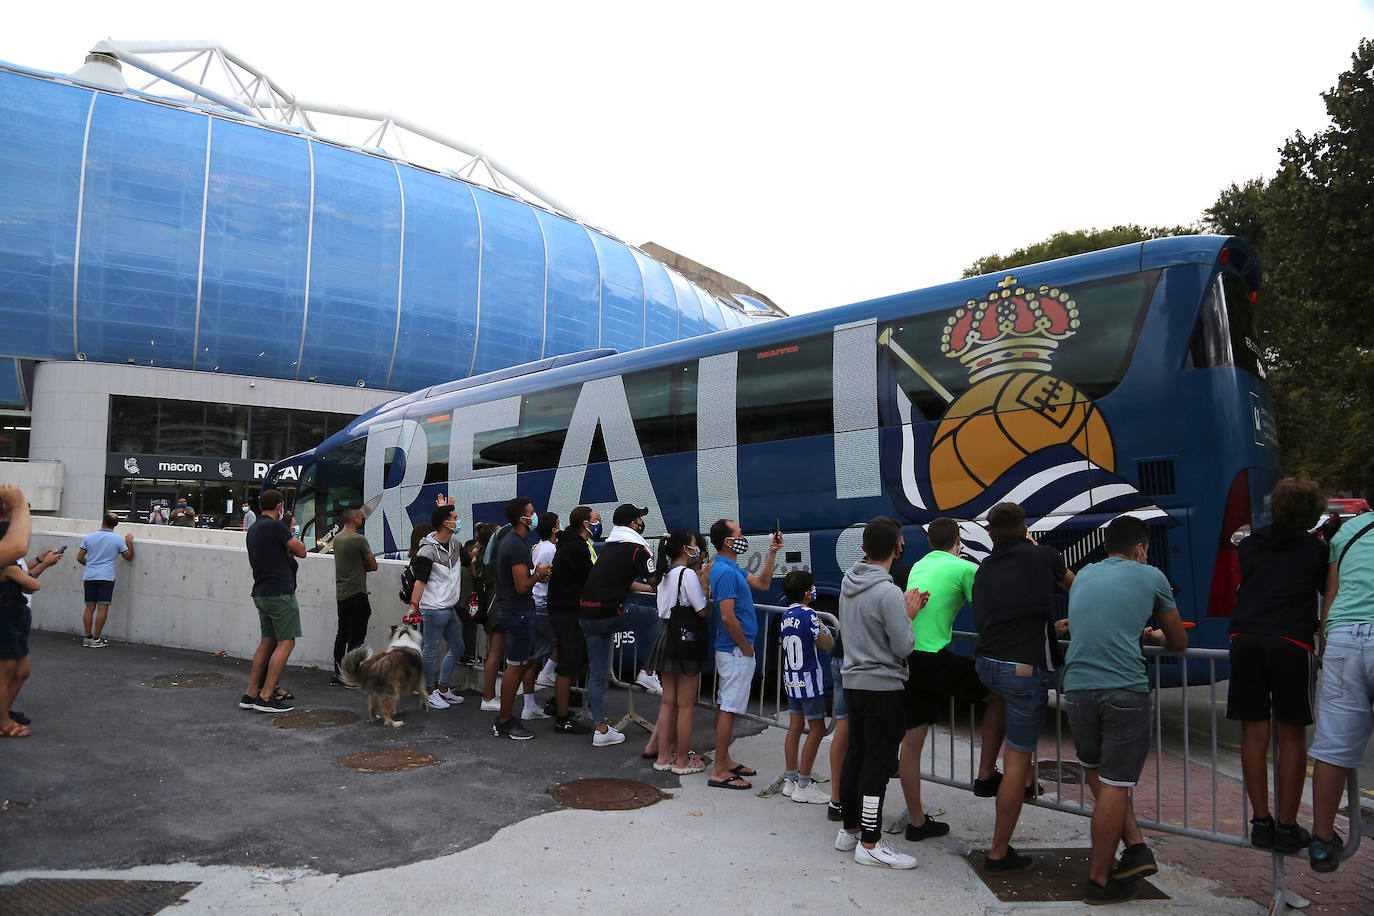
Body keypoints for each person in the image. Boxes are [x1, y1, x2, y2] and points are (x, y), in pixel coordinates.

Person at [1063, 514, 1187, 905]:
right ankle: (1099, 881)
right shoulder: (1151, 576)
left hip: (1076, 688)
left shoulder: (1083, 575)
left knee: (1095, 769)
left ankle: (1135, 847)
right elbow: (1178, 640)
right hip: (1123, 689)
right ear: (1139, 548)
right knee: (1117, 785)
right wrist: (1156, 636)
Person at [972, 501, 1074, 873]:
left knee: (999, 701)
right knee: (1016, 761)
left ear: (990, 534)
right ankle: (998, 853)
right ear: (1026, 528)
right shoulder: (1044, 556)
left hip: (987, 664)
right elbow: (1078, 588)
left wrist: (1047, 626)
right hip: (1023, 669)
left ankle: (986, 777)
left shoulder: (984, 568)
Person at [1227, 476, 1327, 853]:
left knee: (1253, 732)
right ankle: (1287, 826)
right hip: (1291, 640)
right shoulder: (1316, 550)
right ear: (1312, 514)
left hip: (1245, 638)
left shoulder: (1250, 545)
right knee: (1291, 734)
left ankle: (1261, 822)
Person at [899, 517, 1005, 841]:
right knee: (998, 695)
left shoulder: (919, 565)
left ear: (929, 541)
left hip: (909, 656)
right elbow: (989, 610)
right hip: (933, 657)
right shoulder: (964, 568)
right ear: (959, 540)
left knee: (912, 742)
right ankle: (986, 775)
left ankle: (917, 821)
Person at [834, 517, 925, 869]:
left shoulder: (848, 583)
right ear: (898, 546)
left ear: (863, 547)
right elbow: (903, 646)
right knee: (878, 763)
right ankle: (870, 843)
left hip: (854, 683)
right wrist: (909, 613)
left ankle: (850, 830)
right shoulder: (888, 593)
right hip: (883, 688)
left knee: (856, 755)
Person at [1307, 463, 1374, 873]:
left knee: (1332, 747)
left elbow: (1330, 596)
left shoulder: (1349, 532)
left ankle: (1320, 841)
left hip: (1345, 638)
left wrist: (1326, 644)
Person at [706, 518, 781, 787]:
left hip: (735, 651)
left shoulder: (731, 568)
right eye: (739, 534)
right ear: (728, 541)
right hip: (736, 651)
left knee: (727, 706)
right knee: (729, 707)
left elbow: (762, 583)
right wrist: (747, 648)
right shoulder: (725, 572)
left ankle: (724, 760)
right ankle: (719, 771)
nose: (743, 538)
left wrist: (772, 553)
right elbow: (727, 616)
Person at [579, 504, 660, 746]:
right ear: (634, 523)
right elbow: (656, 580)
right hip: (609, 612)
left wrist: (650, 589)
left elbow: (624, 583)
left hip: (587, 613)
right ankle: (648, 672)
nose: (641, 523)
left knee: (597, 674)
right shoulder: (638, 549)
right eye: (639, 519)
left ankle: (601, 730)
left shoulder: (610, 547)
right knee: (651, 617)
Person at [238, 489, 306, 713]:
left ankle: (251, 693)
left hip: (261, 591)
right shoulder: (276, 526)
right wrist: (291, 541)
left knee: (267, 641)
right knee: (287, 642)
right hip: (280, 592)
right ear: (279, 507)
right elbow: (302, 551)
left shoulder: (254, 528)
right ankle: (266, 696)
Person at [649, 529, 711, 774]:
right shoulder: (688, 575)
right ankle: (682, 761)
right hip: (684, 639)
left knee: (668, 703)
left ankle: (663, 757)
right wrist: (705, 584)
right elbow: (702, 610)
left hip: (665, 636)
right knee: (685, 705)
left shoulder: (665, 574)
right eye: (694, 545)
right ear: (686, 549)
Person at [492, 497, 551, 739]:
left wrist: (536, 575)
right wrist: (537, 575)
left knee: (521, 664)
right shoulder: (515, 544)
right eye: (531, 512)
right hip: (517, 612)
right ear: (522, 518)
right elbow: (521, 586)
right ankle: (504, 721)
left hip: (519, 610)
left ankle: (507, 717)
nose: (535, 516)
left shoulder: (518, 541)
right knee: (515, 667)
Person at [780, 569, 835, 804]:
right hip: (809, 681)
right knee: (817, 729)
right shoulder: (809, 615)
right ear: (805, 593)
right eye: (811, 586)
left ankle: (790, 778)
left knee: (794, 726)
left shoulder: (785, 616)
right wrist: (822, 624)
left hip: (791, 679)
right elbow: (826, 643)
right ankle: (803, 783)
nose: (814, 589)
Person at [544, 506, 598, 734]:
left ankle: (559, 704)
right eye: (596, 519)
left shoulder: (570, 544)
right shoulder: (577, 547)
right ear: (585, 523)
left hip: (565, 610)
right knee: (568, 663)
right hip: (568, 611)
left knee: (574, 661)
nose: (598, 523)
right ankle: (562, 717)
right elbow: (590, 579)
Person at [410, 501, 467, 709]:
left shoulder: (456, 545)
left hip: (449, 607)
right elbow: (420, 581)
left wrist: (445, 507)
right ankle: (428, 692)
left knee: (458, 647)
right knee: (430, 651)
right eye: (455, 518)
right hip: (432, 609)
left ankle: (442, 689)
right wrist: (413, 606)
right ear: (445, 523)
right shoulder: (427, 551)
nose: (458, 521)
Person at [329, 506, 377, 688]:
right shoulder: (359, 540)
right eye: (362, 516)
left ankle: (338, 673)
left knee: (342, 634)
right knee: (356, 636)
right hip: (357, 591)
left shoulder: (338, 538)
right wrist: (361, 565)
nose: (363, 519)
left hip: (342, 593)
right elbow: (373, 565)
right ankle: (352, 676)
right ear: (355, 518)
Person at [76, 513, 135, 648]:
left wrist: (90, 565)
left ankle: (87, 637)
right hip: (106, 576)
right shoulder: (117, 540)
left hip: (90, 576)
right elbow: (128, 557)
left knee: (89, 607)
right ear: (116, 525)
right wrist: (129, 542)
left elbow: (79, 557)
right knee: (103, 607)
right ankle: (96, 638)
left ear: (103, 522)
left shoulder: (89, 537)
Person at [526, 512, 560, 719]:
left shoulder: (538, 547)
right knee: (567, 641)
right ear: (554, 528)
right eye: (558, 523)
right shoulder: (551, 549)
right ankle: (548, 672)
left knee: (533, 658)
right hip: (545, 604)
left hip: (535, 603)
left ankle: (528, 706)